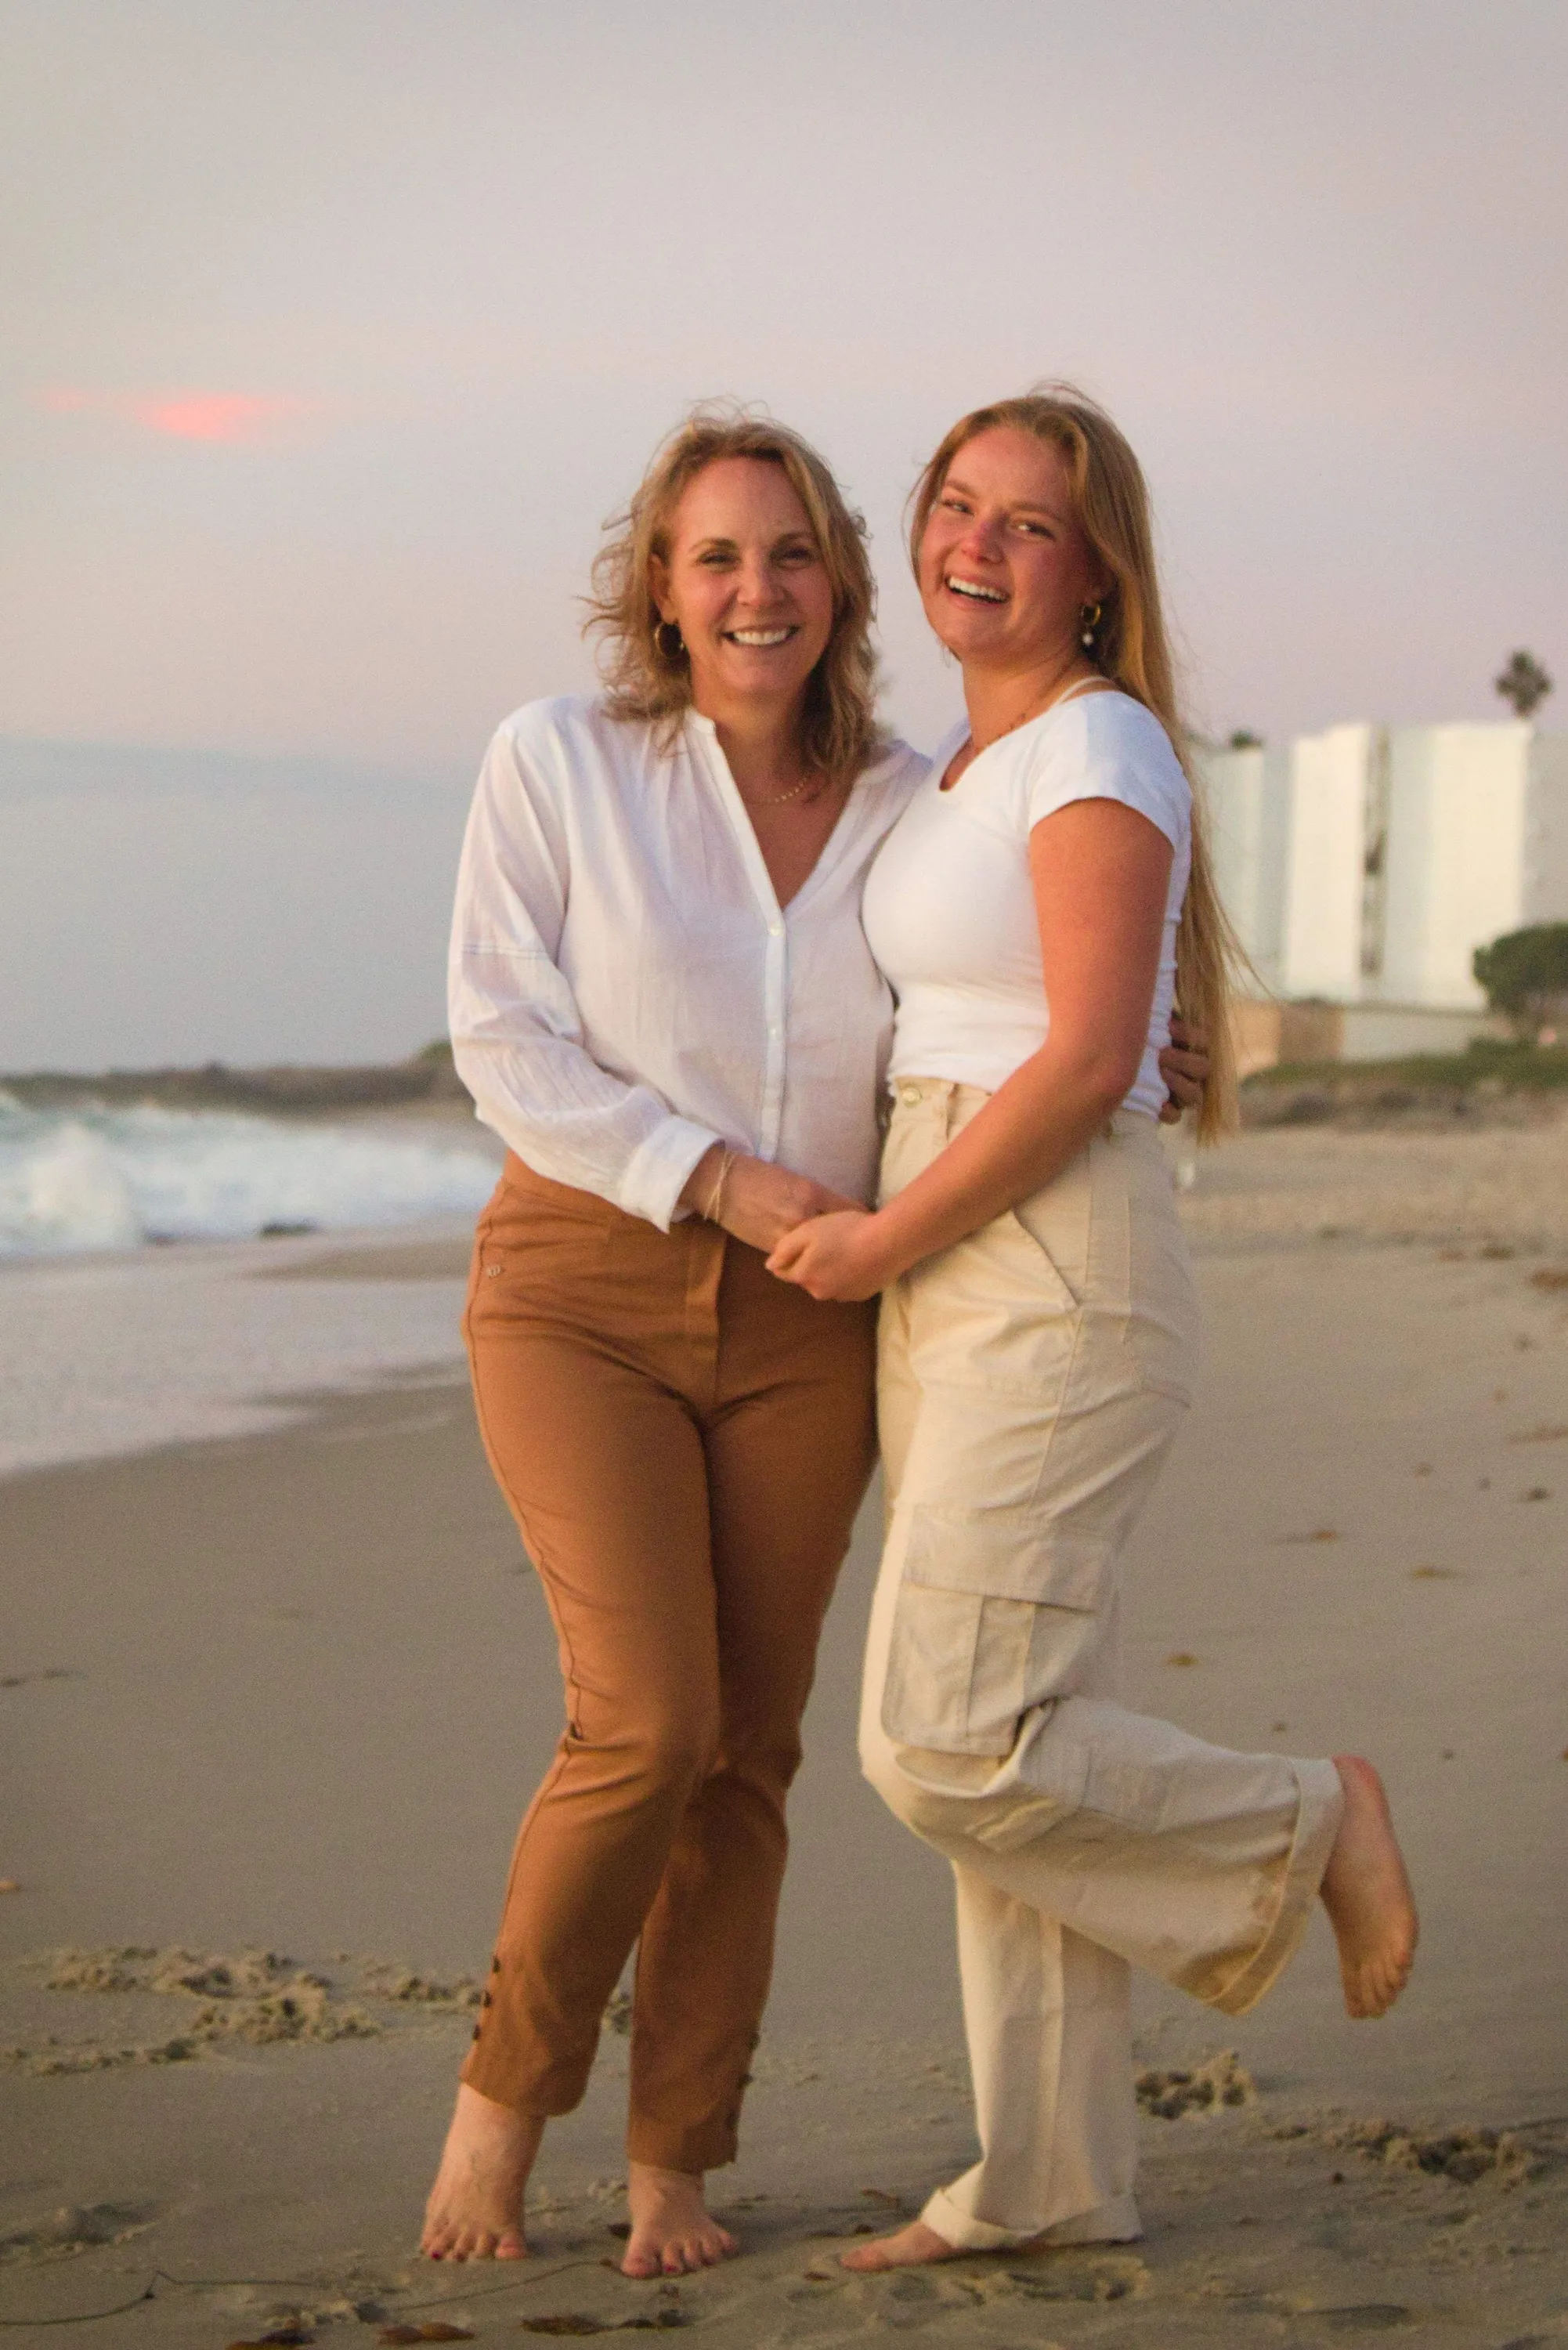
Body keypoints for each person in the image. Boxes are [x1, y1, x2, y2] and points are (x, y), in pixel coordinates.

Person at [421, 404, 1208, 2276]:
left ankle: (674, 2157)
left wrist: (1144, 1050)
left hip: (814, 1319)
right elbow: (500, 1036)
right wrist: (712, 1178)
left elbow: (1020, 990)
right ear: (659, 589)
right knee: (646, 1723)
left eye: (789, 555)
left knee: (749, 1754)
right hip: (587, 1285)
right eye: (715, 558)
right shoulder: (559, 761)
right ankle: (499, 2109)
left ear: (841, 585)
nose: (755, 591)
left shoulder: (915, 802)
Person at [768, 387, 1418, 2268]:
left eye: (1025, 522)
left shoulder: (1095, 740)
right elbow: (1050, 1016)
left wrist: (883, 1238)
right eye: (952, 505)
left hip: (1040, 1261)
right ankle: (1047, 2177)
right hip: (959, 1250)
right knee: (1027, 1727)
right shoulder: (948, 772)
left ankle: (1305, 1821)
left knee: (946, 1740)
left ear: (1093, 574)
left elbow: (1070, 1063)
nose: (972, 543)